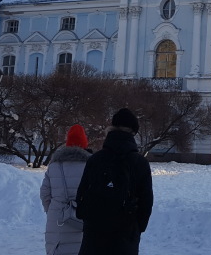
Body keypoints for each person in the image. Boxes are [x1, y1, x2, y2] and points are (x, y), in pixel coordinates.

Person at [77, 108, 153, 255]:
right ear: (133, 133)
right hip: (125, 236)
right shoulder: (140, 163)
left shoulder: (95, 159)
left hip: (94, 236)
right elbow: (146, 203)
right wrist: (136, 229)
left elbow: (81, 196)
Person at [40, 124, 93, 255]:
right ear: (85, 144)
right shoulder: (92, 165)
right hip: (83, 221)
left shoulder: (54, 165)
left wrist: (54, 210)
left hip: (57, 221)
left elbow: (45, 194)